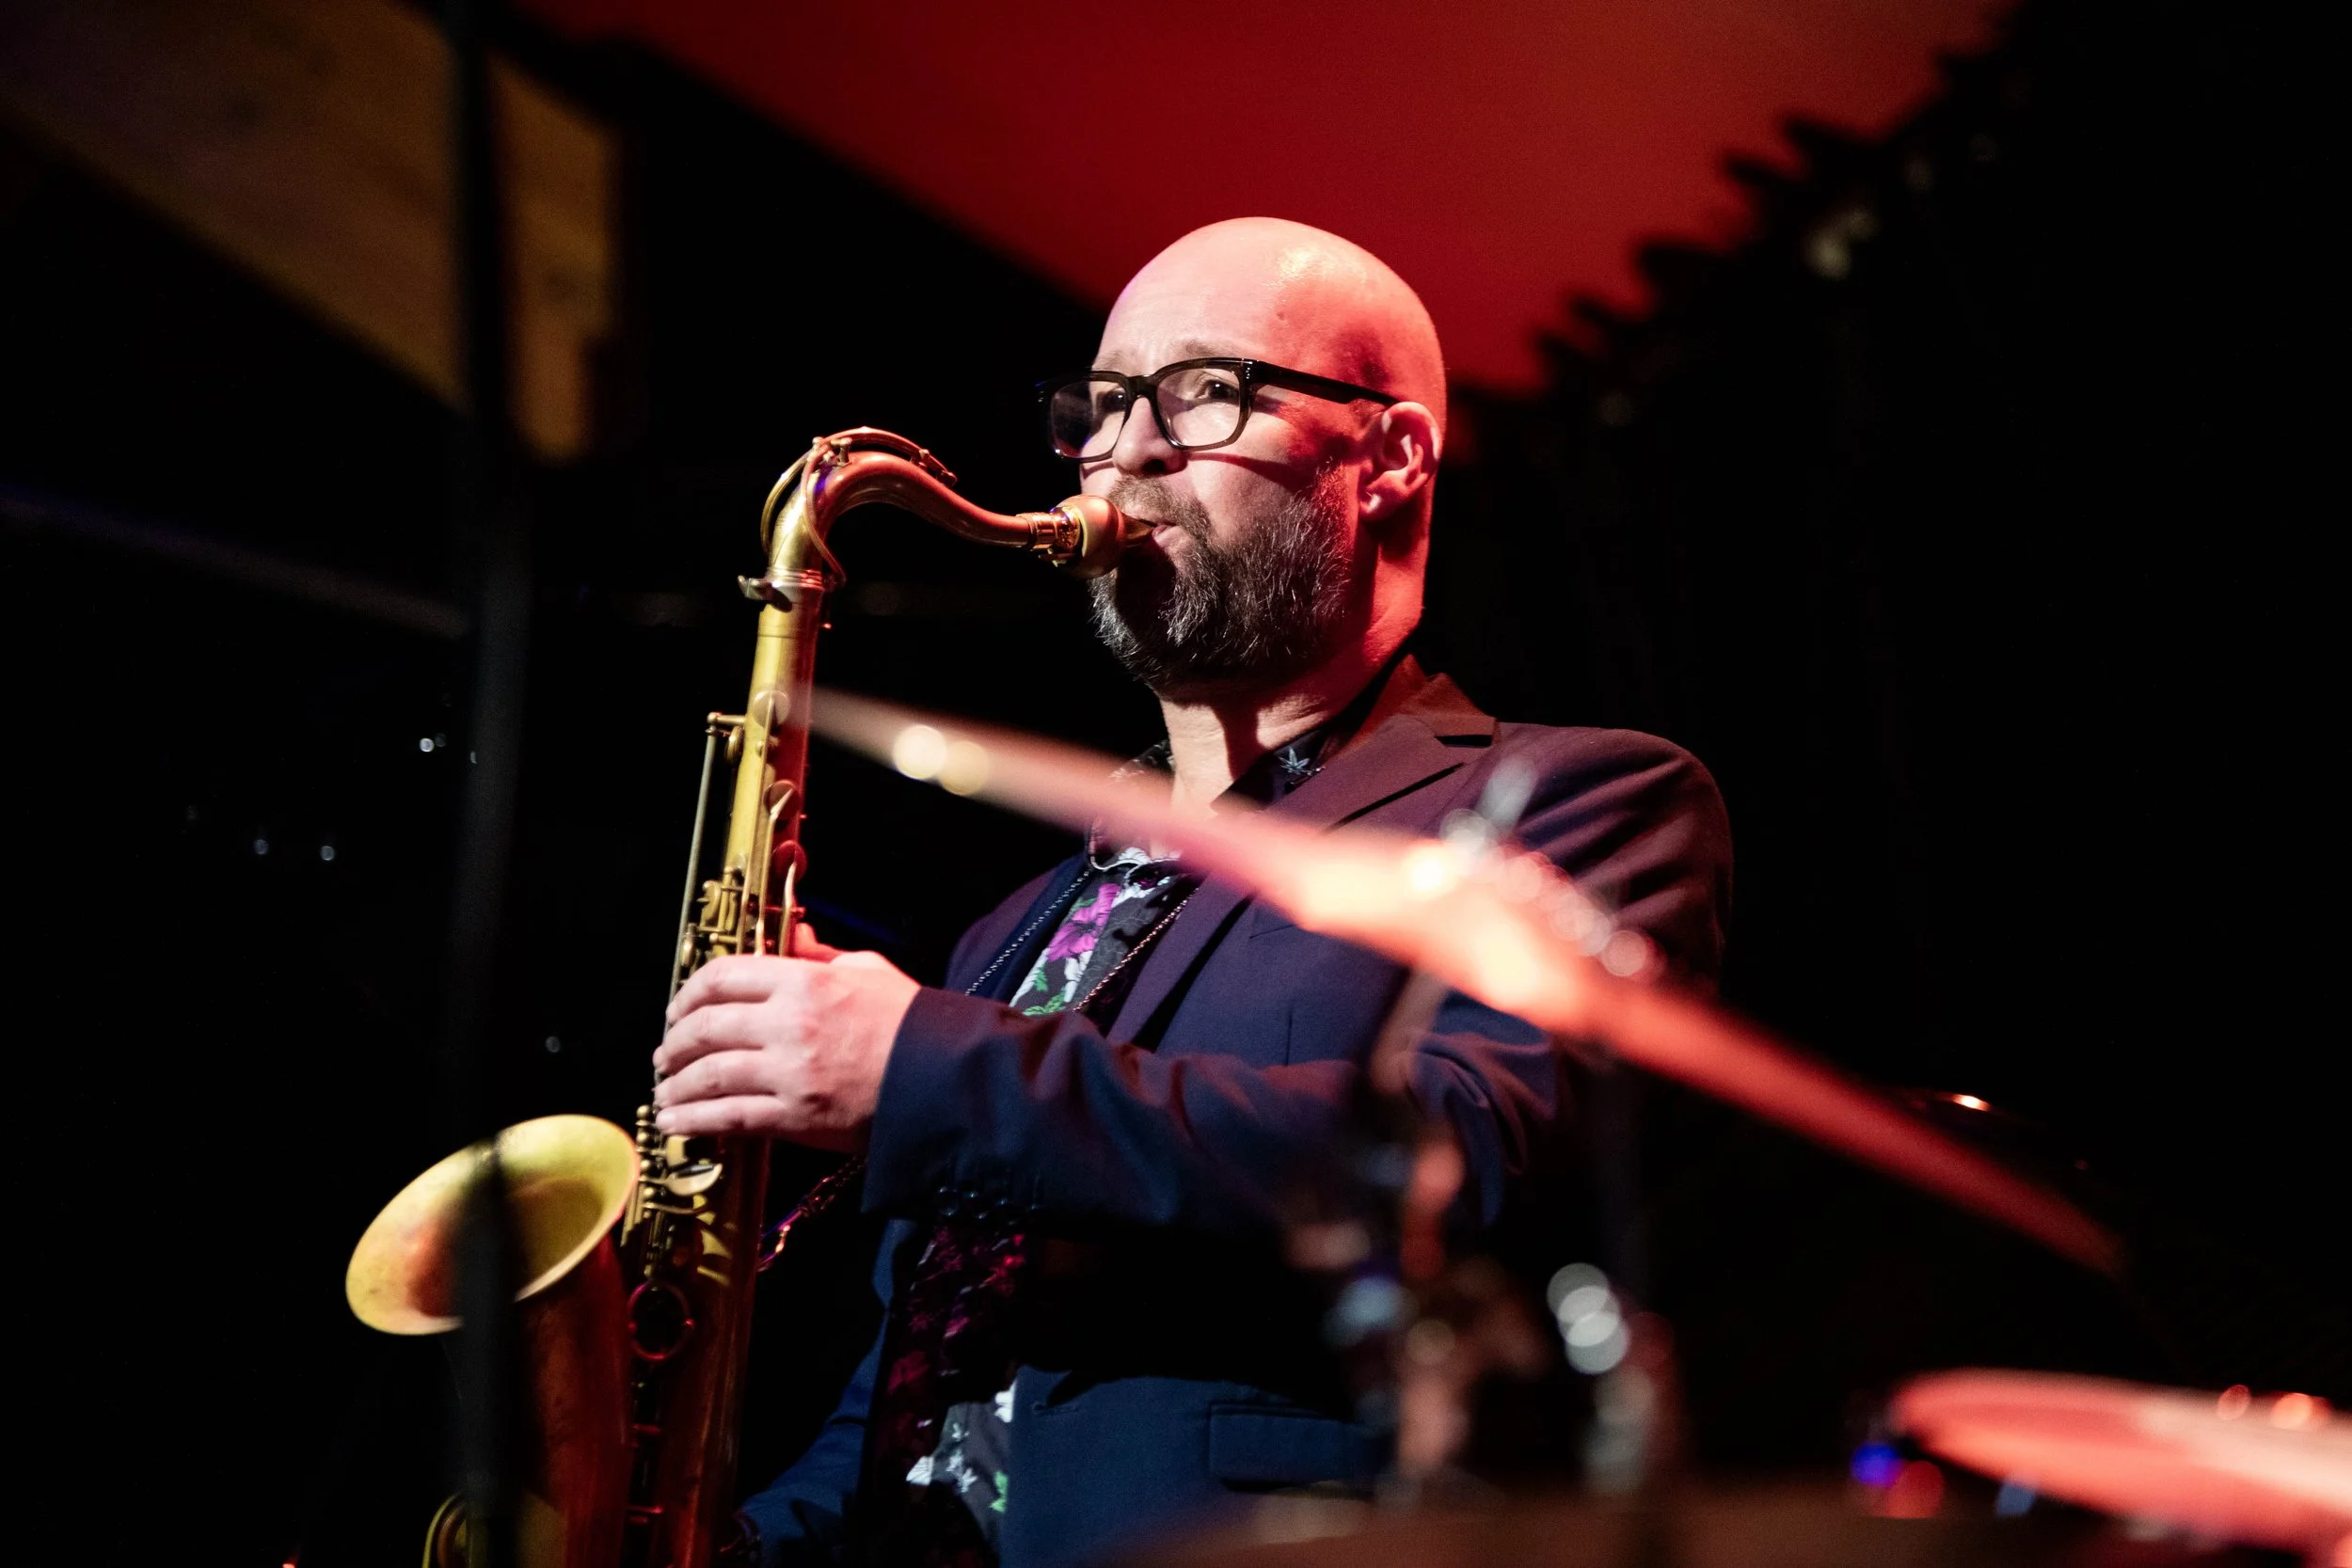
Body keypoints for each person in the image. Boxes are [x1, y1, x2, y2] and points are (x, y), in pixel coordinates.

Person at [650, 217, 1733, 1568]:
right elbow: (920, 1402)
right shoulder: (1015, 931)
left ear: (1389, 459)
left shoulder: (1577, 800)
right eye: (1100, 406)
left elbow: (1466, 1155)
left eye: (1199, 393)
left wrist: (925, 1062)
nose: (1123, 450)